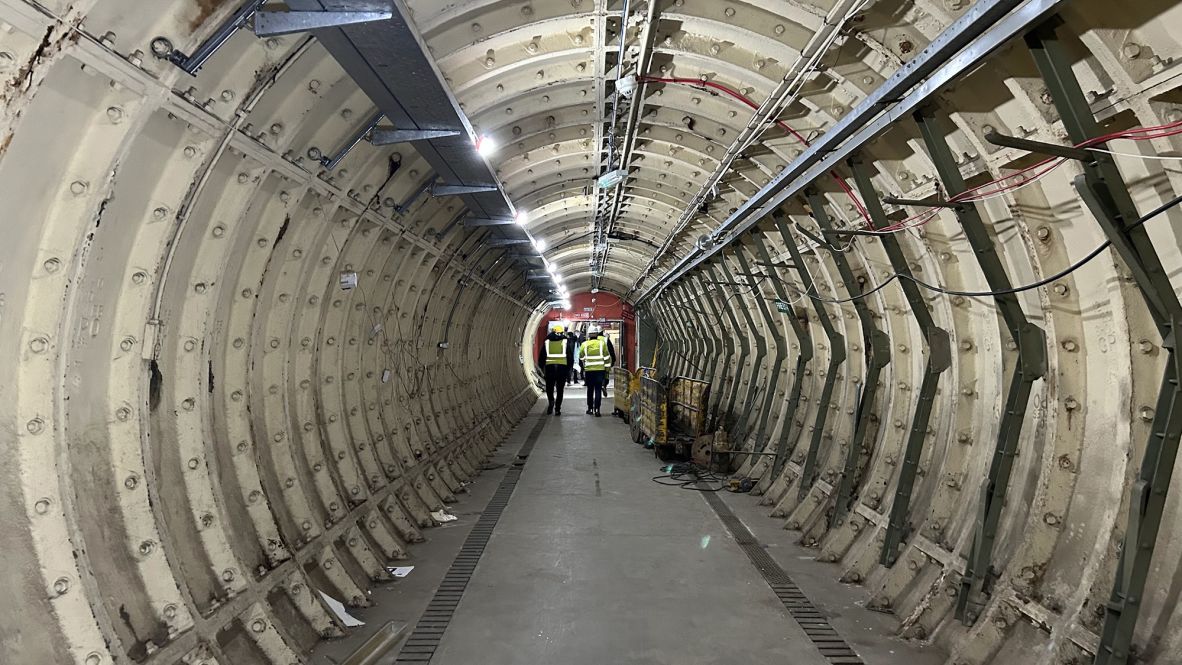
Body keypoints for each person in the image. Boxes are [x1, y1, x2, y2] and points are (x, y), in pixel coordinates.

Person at [537, 322, 575, 415]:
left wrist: (541, 369)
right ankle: (557, 408)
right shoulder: (565, 342)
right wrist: (569, 369)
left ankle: (551, 402)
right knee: (560, 389)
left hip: (550, 368)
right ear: (562, 332)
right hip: (562, 368)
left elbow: (542, 357)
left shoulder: (547, 342)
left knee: (549, 387)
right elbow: (570, 357)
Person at [579, 325, 616, 417]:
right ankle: (597, 410)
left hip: (589, 371)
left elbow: (581, 356)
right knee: (598, 389)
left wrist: (585, 363)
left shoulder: (584, 344)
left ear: (589, 335)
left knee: (590, 390)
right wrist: (607, 369)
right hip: (600, 370)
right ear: (596, 334)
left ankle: (590, 409)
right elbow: (607, 357)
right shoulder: (602, 344)